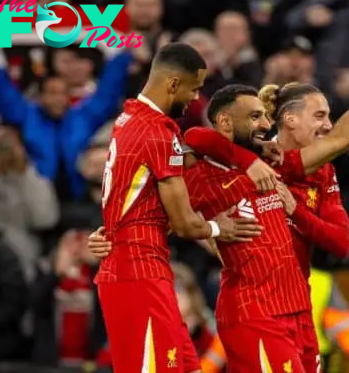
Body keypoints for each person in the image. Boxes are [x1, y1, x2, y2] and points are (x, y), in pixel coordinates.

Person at [96, 43, 262, 373]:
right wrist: (219, 228)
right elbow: (185, 222)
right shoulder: (158, 134)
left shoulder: (129, 118)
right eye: (194, 88)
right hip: (138, 272)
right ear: (173, 84)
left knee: (188, 367)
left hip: (141, 265)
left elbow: (138, 198)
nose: (194, 99)